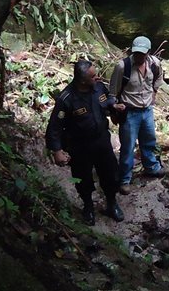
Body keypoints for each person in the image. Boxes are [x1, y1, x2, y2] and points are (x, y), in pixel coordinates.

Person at [46, 60, 125, 224]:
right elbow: (55, 127)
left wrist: (115, 109)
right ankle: (88, 206)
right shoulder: (67, 98)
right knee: (83, 178)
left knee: (111, 174)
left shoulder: (99, 88)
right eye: (93, 76)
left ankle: (111, 203)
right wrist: (57, 151)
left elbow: (107, 106)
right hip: (79, 145)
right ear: (82, 80)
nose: (97, 77)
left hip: (102, 141)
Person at [109, 35, 165, 189]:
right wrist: (114, 109)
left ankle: (151, 167)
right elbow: (113, 93)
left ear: (148, 52)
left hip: (147, 110)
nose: (139, 56)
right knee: (128, 146)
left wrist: (153, 92)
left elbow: (159, 78)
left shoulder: (155, 64)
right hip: (129, 112)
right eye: (137, 53)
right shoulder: (122, 67)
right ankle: (125, 179)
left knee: (149, 140)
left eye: (142, 53)